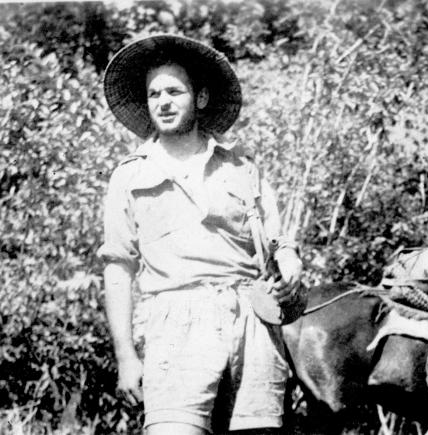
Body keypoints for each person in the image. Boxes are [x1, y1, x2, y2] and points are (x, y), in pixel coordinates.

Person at [98, 34, 303, 435]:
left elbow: (280, 242)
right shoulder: (130, 174)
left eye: (175, 91)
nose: (163, 101)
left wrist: (290, 265)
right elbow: (117, 269)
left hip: (251, 324)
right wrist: (126, 355)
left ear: (201, 97)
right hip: (175, 322)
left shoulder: (241, 166)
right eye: (154, 93)